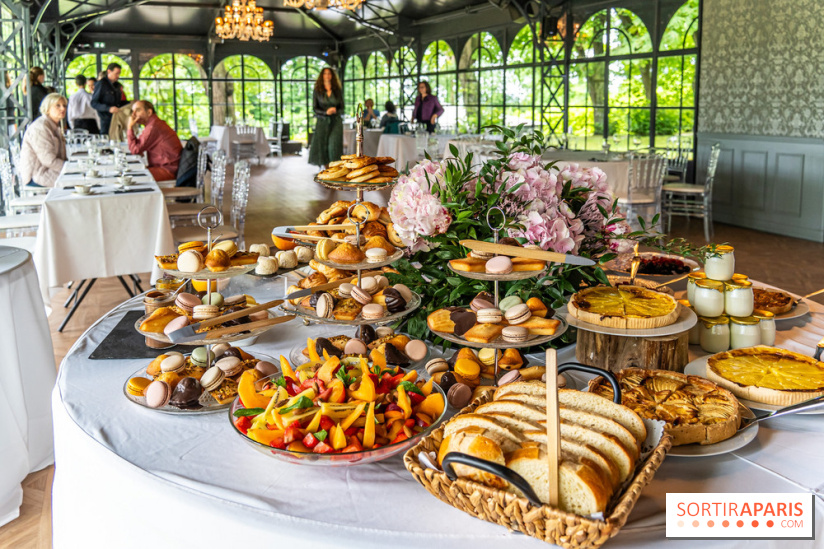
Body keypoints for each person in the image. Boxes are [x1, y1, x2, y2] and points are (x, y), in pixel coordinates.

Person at [127, 100, 182, 181]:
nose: (133, 114)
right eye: (133, 111)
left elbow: (135, 149)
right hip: (163, 167)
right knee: (131, 173)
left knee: (131, 178)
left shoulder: (153, 127)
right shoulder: (153, 124)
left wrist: (129, 127)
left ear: (149, 112)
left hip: (168, 170)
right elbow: (138, 147)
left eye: (138, 110)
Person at [20, 93, 67, 188]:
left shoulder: (54, 125)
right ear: (48, 108)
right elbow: (49, 160)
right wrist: (70, 169)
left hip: (50, 171)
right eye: (58, 105)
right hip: (38, 175)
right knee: (80, 183)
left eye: (64, 105)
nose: (63, 109)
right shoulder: (40, 127)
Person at [308, 67, 344, 168]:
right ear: (322, 76)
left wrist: (336, 110)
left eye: (329, 73)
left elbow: (342, 107)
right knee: (322, 144)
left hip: (336, 120)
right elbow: (315, 108)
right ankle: (326, 169)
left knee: (334, 144)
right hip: (322, 121)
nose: (327, 75)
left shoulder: (337, 90)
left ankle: (335, 167)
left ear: (332, 76)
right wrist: (325, 112)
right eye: (325, 73)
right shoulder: (317, 90)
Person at [91, 62, 128, 135]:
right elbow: (94, 103)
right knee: (106, 142)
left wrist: (130, 103)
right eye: (116, 73)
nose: (118, 76)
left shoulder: (117, 86)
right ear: (109, 71)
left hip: (117, 119)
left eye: (119, 74)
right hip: (106, 121)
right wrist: (108, 108)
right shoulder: (101, 84)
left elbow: (117, 104)